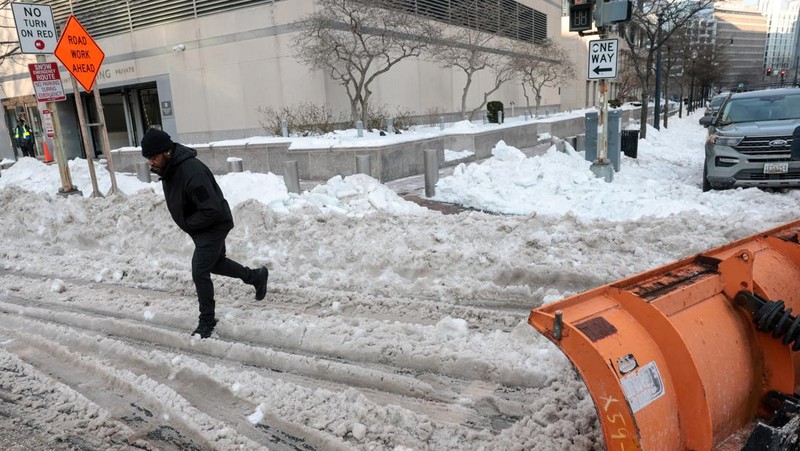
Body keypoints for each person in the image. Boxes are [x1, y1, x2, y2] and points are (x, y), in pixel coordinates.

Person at [141, 127, 268, 338]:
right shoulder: (170, 168)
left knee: (200, 270)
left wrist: (190, 223)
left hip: (213, 224)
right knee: (216, 263)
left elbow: (212, 209)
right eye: (147, 159)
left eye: (153, 158)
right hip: (203, 225)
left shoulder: (191, 171)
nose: (150, 163)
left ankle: (207, 320)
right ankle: (255, 276)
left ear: (167, 152)